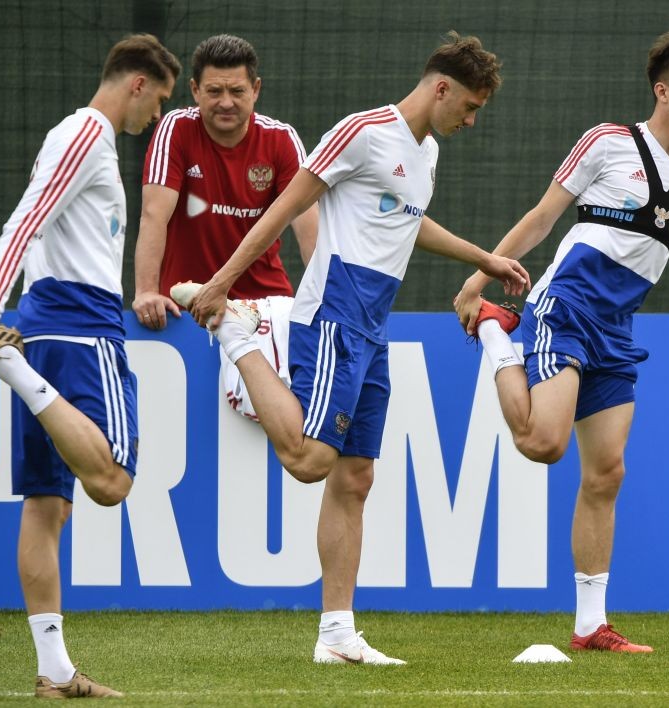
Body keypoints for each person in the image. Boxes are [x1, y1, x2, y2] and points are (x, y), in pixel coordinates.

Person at [179, 31, 530, 665]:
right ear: (441, 87)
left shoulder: (425, 152)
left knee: (355, 476)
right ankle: (238, 336)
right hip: (336, 307)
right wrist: (223, 284)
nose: (472, 121)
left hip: (374, 322)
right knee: (312, 460)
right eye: (470, 106)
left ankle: (337, 636)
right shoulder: (363, 130)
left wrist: (485, 258)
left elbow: (406, 218)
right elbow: (286, 206)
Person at [454, 29, 669, 653]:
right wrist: (479, 280)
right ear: (663, 91)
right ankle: (501, 337)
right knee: (544, 445)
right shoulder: (608, 143)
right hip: (565, 309)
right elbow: (542, 218)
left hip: (617, 330)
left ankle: (589, 627)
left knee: (606, 473)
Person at [0, 34, 180, 697]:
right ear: (136, 84)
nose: (154, 117)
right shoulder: (87, 135)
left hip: (44, 327)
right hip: (79, 327)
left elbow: (37, 219)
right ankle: (7, 363)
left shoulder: (75, 137)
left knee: (47, 507)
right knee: (114, 479)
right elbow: (27, 217)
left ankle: (55, 671)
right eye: (158, 102)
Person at [133, 33, 318, 421]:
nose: (226, 102)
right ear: (195, 90)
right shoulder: (176, 129)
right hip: (185, 312)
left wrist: (325, 307)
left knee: (280, 433)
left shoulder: (281, 140)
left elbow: (311, 230)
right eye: (214, 91)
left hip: (265, 308)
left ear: (256, 89)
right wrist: (147, 292)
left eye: (237, 90)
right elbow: (154, 215)